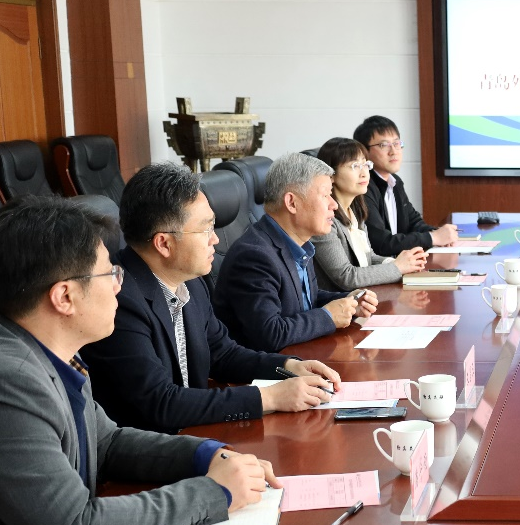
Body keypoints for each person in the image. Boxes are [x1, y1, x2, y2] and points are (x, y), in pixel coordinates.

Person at [0, 197, 279, 525]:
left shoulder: (52, 351)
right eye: (110, 274)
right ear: (65, 297)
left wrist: (208, 454)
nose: (119, 286)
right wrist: (214, 493)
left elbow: (106, 443)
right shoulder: (7, 382)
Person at [81, 163, 344, 433]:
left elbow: (223, 354)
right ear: (164, 243)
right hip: (151, 447)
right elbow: (160, 403)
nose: (216, 240)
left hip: (195, 433)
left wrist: (288, 367)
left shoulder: (191, 283)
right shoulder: (119, 300)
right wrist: (270, 397)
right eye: (206, 229)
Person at [213, 152, 379, 352]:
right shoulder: (254, 256)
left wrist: (349, 301)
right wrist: (328, 316)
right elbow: (270, 334)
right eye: (325, 195)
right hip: (269, 367)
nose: (334, 204)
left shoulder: (299, 242)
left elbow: (305, 301)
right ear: (292, 203)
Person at [312, 137, 428, 291]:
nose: (364, 173)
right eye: (355, 166)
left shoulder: (355, 212)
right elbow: (346, 277)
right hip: (341, 302)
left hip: (364, 297)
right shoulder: (325, 220)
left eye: (366, 164)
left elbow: (369, 257)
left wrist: (404, 263)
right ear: (331, 175)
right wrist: (398, 268)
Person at [353, 115, 459, 256]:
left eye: (396, 143)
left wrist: (440, 234)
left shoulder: (395, 182)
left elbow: (414, 223)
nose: (393, 151)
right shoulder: (364, 188)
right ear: (364, 152)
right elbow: (381, 243)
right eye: (384, 145)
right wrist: (433, 238)